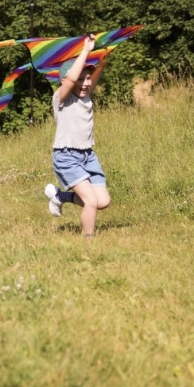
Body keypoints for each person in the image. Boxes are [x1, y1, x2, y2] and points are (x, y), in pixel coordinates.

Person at [43, 35, 111, 238]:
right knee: (90, 201)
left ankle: (61, 196)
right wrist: (85, 51)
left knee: (102, 202)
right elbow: (72, 79)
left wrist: (102, 62)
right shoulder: (61, 98)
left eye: (88, 79)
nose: (85, 83)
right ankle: (88, 241)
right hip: (66, 156)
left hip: (88, 156)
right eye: (80, 79)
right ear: (65, 81)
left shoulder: (86, 94)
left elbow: (93, 75)